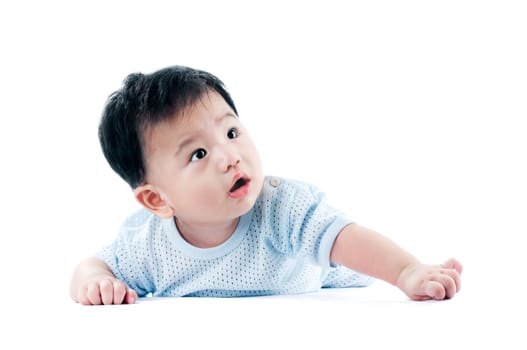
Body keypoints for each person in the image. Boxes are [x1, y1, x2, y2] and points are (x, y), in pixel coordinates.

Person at [70, 65, 463, 305]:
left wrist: (407, 271)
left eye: (231, 131)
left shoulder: (281, 207)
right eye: (199, 155)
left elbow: (346, 239)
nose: (229, 156)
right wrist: (95, 282)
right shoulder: (149, 248)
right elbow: (94, 265)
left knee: (348, 257)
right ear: (157, 199)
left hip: (330, 275)